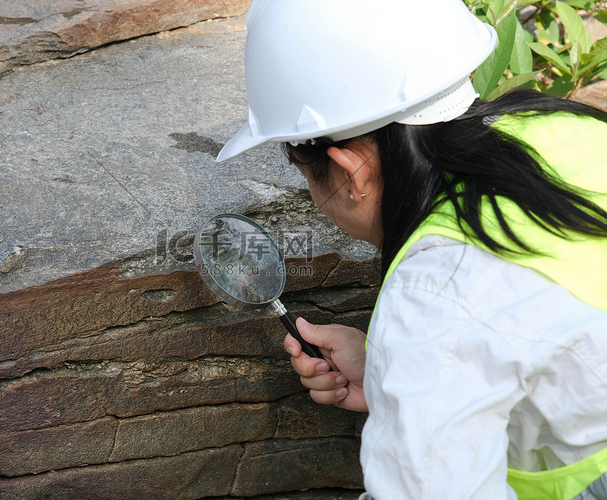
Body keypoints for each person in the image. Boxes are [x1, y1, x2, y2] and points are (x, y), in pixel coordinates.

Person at [215, 1, 607, 499]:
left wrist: (416, 361)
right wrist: (392, 373)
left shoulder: (434, 293)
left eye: (304, 173)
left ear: (351, 171)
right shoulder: (570, 130)